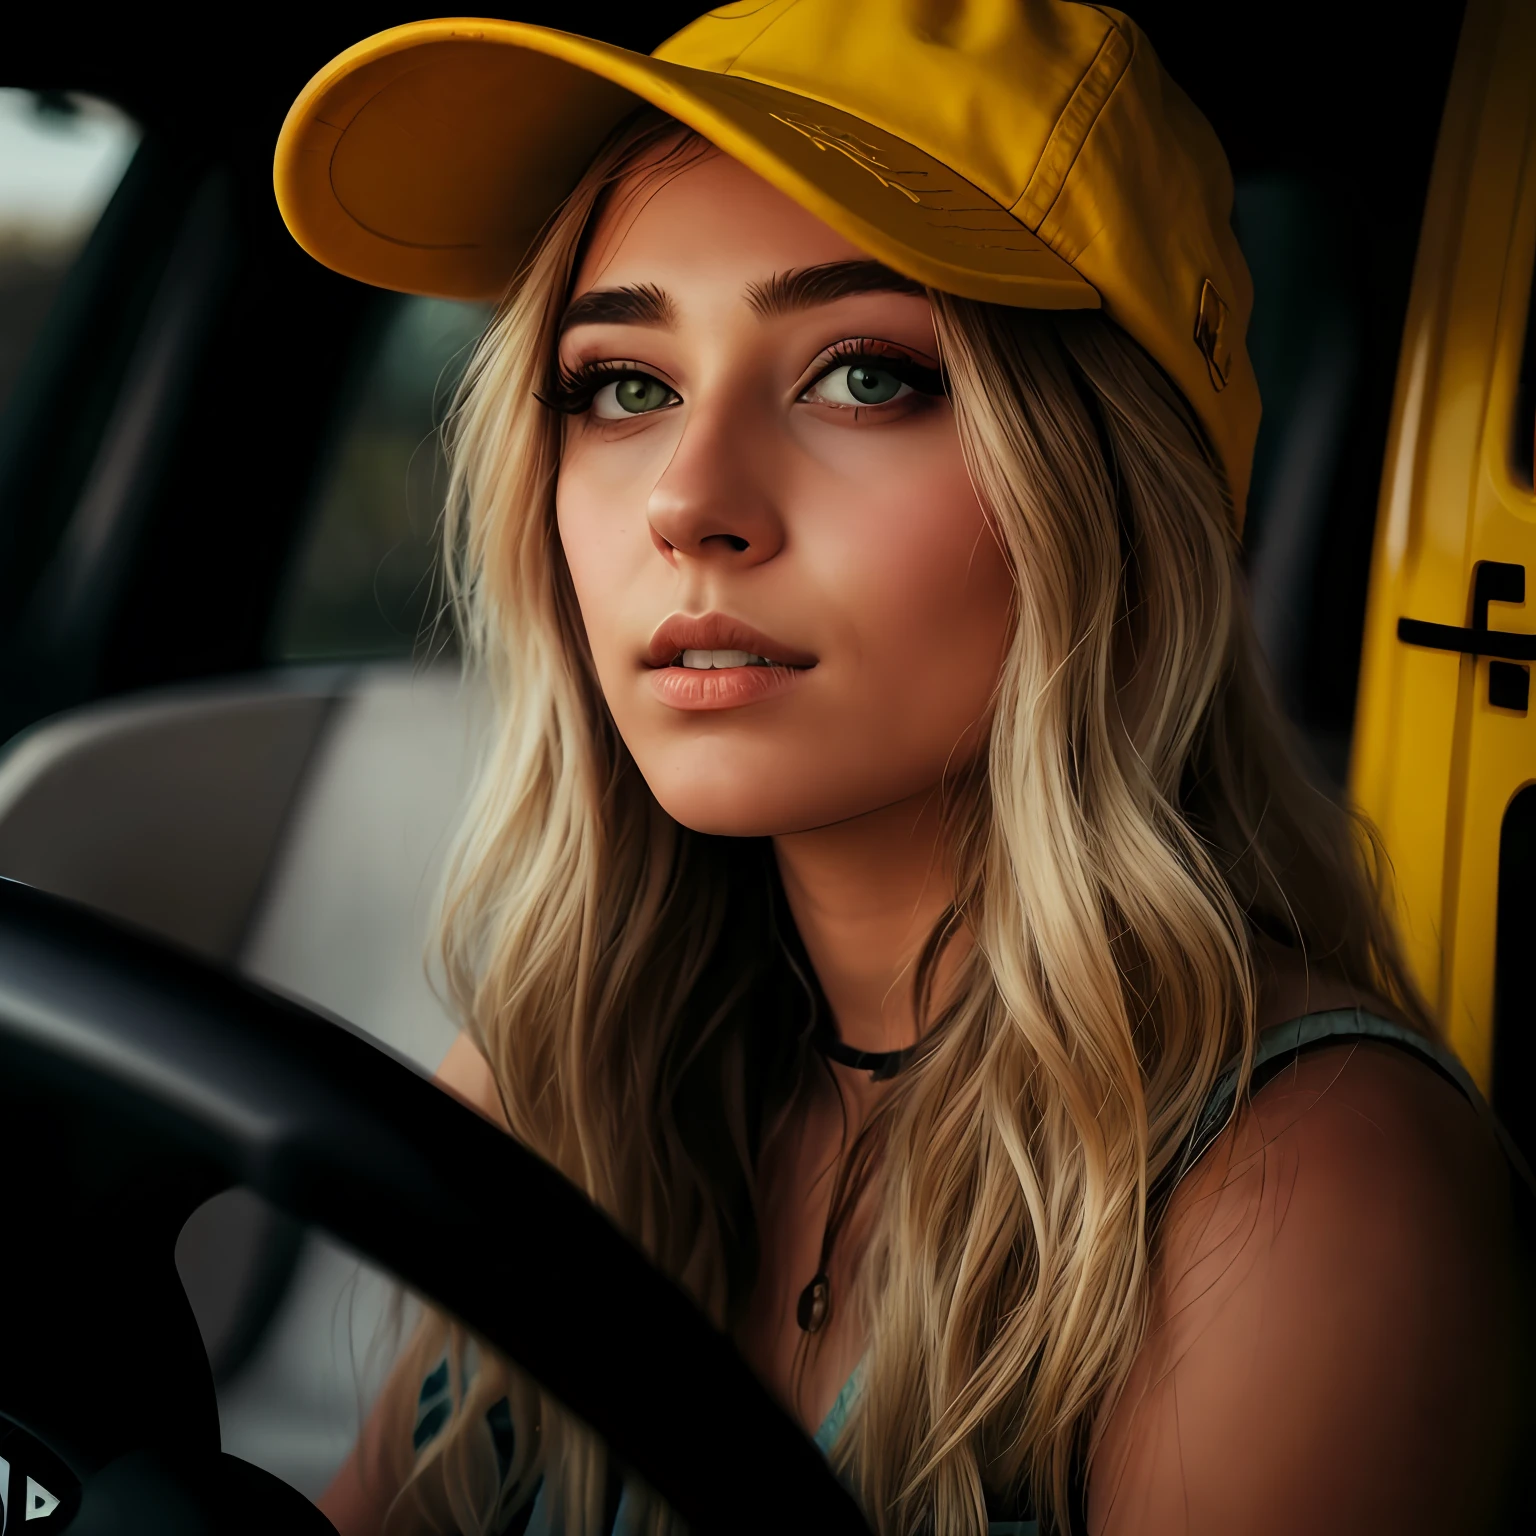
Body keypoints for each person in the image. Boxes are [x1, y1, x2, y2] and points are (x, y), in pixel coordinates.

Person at [273, 4, 1529, 1532]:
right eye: (623, 384)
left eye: (863, 375)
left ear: (1110, 499)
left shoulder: (1306, 1201)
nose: (690, 499)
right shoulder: (574, 1077)